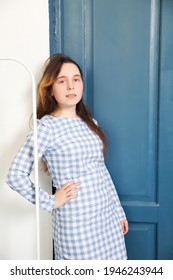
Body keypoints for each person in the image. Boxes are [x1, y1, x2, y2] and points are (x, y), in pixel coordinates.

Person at [6, 53, 128, 260]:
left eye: (76, 79)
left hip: (107, 219)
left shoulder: (91, 124)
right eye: (62, 81)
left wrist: (118, 212)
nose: (71, 86)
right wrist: (51, 201)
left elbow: (101, 171)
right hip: (76, 223)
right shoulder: (46, 127)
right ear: (51, 89)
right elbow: (14, 175)